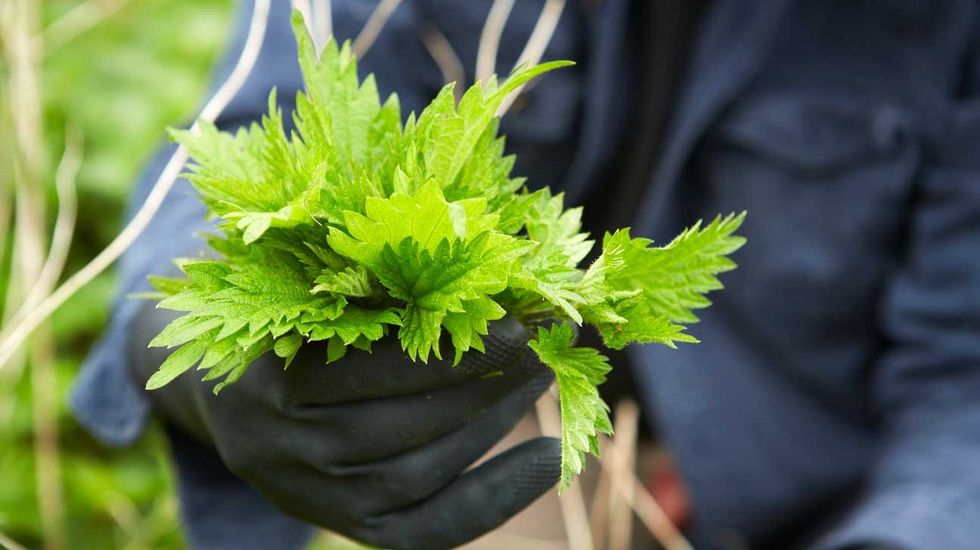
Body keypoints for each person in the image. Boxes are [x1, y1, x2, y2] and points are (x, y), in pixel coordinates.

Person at [73, 1, 980, 549]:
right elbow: (247, 135)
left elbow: (965, 382)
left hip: (834, 490)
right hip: (511, 442)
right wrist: (199, 355)